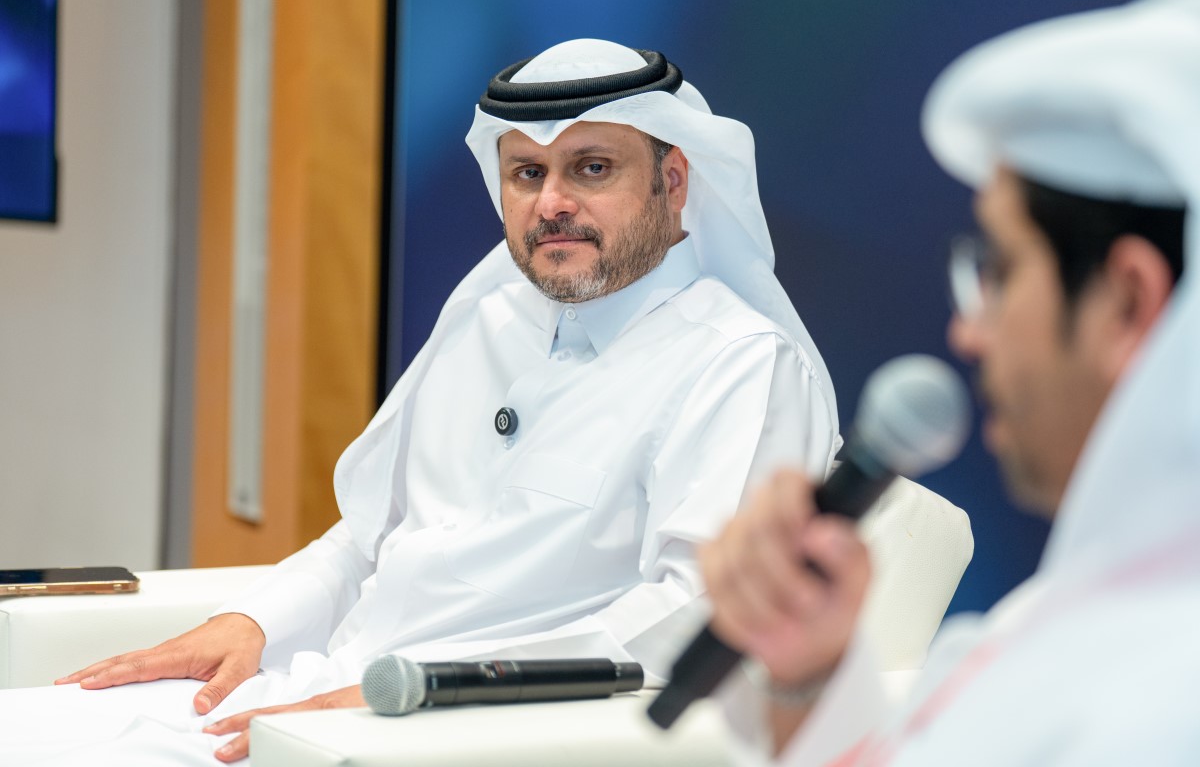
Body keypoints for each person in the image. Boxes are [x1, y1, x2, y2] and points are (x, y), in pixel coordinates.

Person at [0, 39, 840, 764]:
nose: (552, 203)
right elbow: (371, 537)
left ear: (674, 180)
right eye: (528, 173)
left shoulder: (739, 366)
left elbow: (695, 617)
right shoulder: (489, 318)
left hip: (455, 732)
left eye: (592, 168)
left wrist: (421, 693)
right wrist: (250, 623)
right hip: (311, 699)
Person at [702, 0, 1200, 765]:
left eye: (998, 269)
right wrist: (810, 673)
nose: (967, 332)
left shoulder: (1160, 707)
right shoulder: (1069, 613)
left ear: (1128, 301)